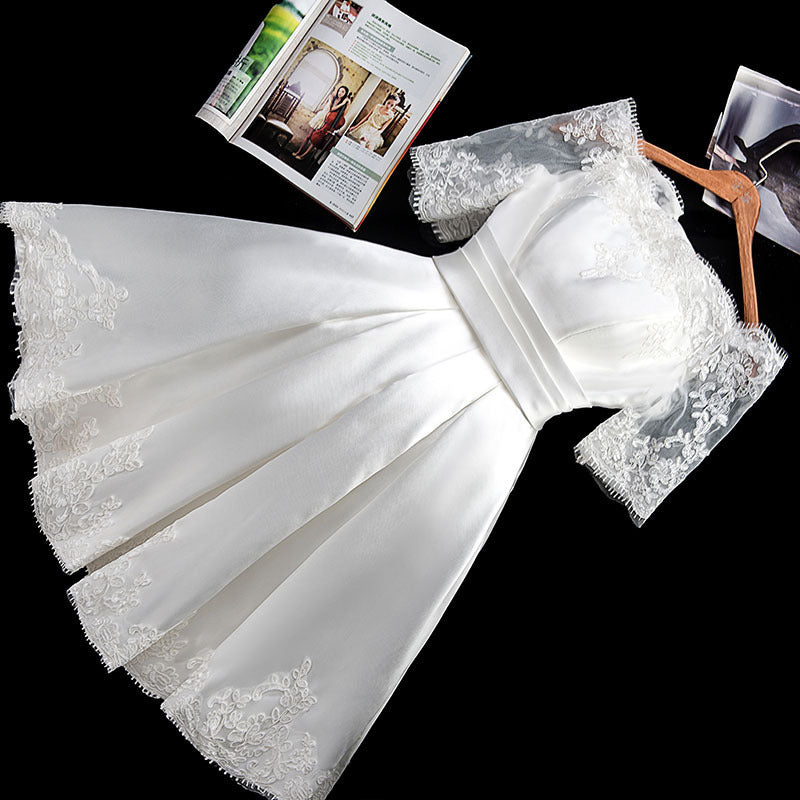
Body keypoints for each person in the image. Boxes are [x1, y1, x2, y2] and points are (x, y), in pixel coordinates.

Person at [293, 85, 351, 160]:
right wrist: (342, 103)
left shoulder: (342, 104)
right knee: (308, 136)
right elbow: (331, 109)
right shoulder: (332, 97)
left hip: (327, 122)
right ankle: (298, 152)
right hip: (321, 117)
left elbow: (343, 115)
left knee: (315, 141)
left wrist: (348, 104)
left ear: (345, 94)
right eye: (339, 90)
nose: (340, 93)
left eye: (343, 92)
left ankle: (302, 156)